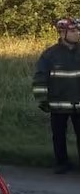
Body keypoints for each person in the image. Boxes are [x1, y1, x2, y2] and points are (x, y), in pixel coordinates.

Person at [33, 17, 80, 173]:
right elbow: (40, 77)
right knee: (59, 136)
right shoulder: (50, 55)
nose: (77, 34)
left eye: (77, 30)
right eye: (73, 31)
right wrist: (42, 99)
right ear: (62, 33)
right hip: (58, 103)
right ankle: (62, 163)